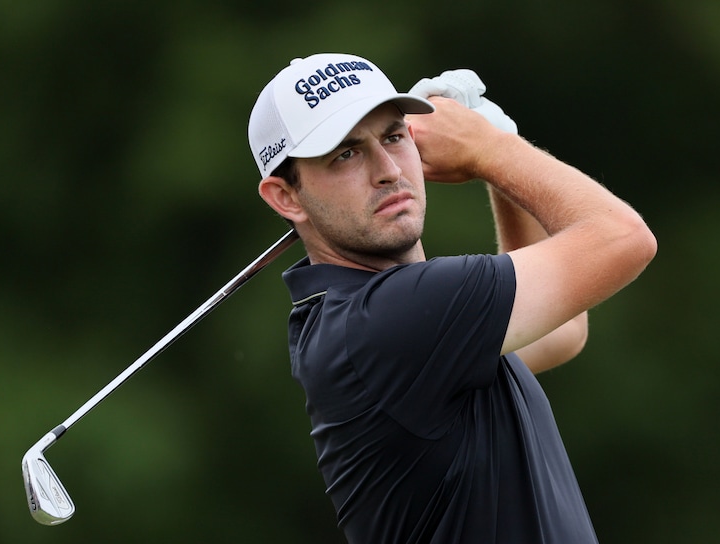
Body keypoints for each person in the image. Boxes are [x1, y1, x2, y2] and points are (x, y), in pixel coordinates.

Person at [247, 53, 657, 544]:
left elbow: (562, 334)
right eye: (345, 154)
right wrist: (493, 149)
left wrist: (499, 163)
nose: (387, 170)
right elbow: (624, 239)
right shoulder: (389, 317)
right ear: (286, 198)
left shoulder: (383, 324)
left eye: (394, 137)